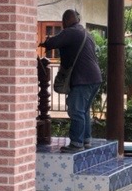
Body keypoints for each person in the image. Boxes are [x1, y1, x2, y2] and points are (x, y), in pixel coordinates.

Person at [40, 9, 103, 152]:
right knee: (83, 111)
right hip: (94, 78)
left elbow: (53, 43)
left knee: (76, 111)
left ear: (67, 20)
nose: (62, 25)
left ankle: (76, 144)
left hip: (82, 79)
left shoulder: (71, 32)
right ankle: (86, 140)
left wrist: (45, 42)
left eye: (63, 21)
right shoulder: (85, 33)